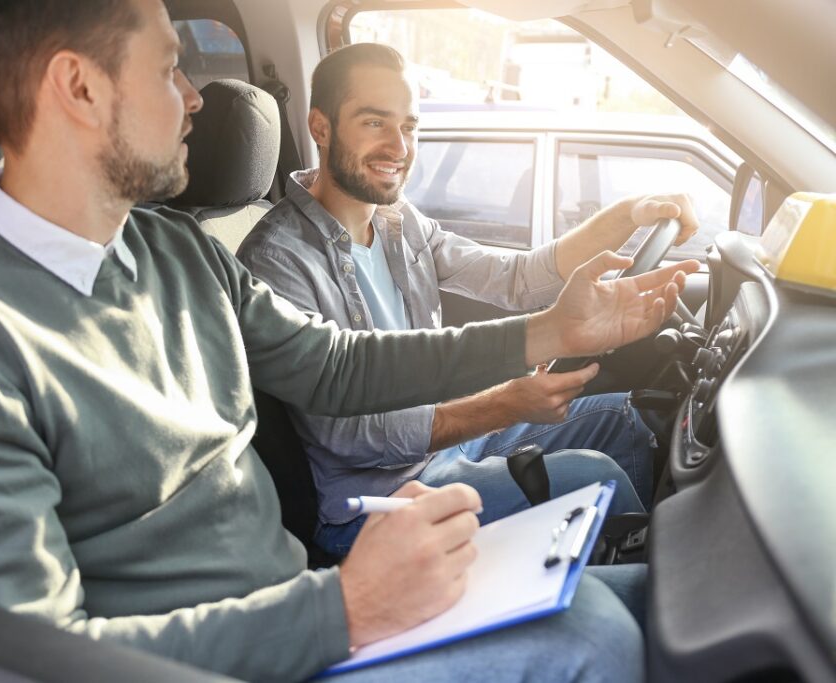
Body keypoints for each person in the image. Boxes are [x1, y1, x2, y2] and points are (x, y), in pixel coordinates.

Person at [0, 2, 696, 681]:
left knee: (672, 601)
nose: (194, 97)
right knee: (596, 632)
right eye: (170, 65)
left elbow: (334, 362)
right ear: (79, 88)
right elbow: (34, 658)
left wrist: (549, 330)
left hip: (301, 606)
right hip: (250, 651)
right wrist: (348, 607)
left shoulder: (172, 249)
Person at [237, 43, 699, 556]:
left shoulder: (398, 222)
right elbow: (353, 436)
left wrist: (632, 213)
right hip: (377, 500)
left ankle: (613, 565)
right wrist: (501, 404)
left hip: (441, 449)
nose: (399, 146)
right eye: (375, 123)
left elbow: (519, 278)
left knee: (624, 422)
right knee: (596, 478)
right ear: (320, 128)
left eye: (409, 127)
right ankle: (620, 594)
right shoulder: (276, 261)